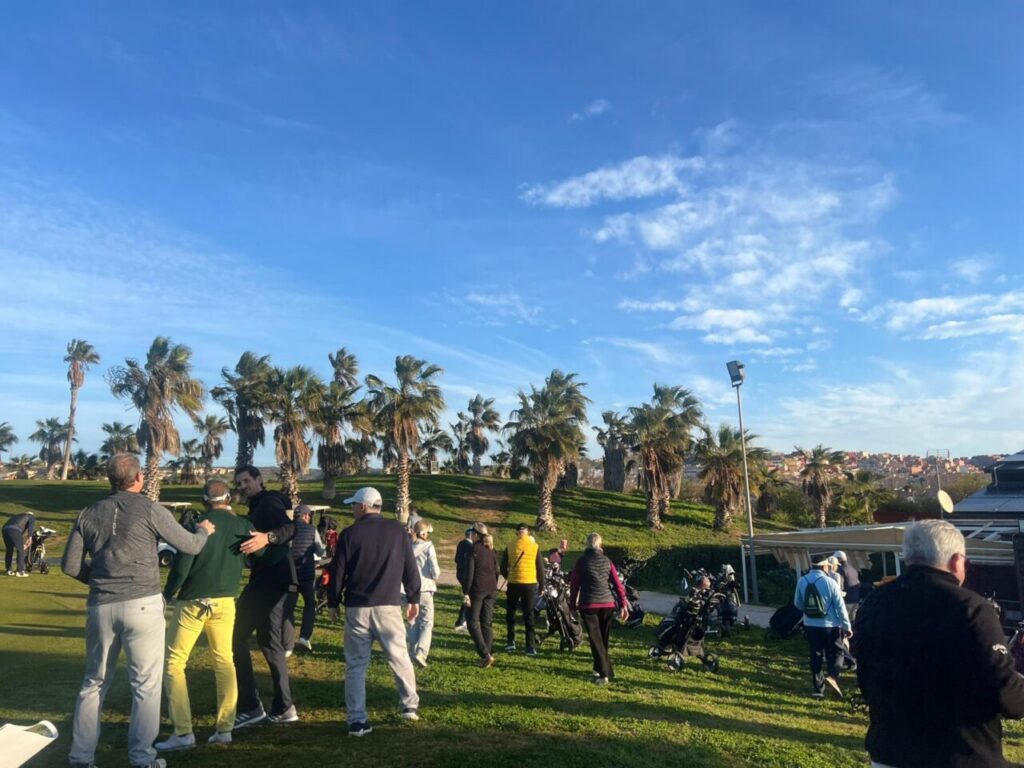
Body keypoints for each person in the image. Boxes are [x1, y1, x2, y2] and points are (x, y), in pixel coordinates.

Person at [61, 454, 214, 768]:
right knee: (145, 684)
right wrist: (204, 532)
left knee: (94, 683)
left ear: (109, 479)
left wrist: (101, 580)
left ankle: (80, 758)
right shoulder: (151, 508)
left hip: (101, 606)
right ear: (140, 477)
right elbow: (191, 545)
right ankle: (142, 758)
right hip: (143, 604)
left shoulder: (88, 513)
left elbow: (70, 566)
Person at [853, 520, 1024, 768]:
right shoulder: (971, 607)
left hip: (890, 753)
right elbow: (1003, 691)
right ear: (956, 561)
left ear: (909, 559)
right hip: (959, 754)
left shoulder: (875, 602)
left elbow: (866, 678)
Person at [157, 478, 252, 751]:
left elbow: (182, 565)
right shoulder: (243, 526)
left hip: (193, 602)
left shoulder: (196, 526)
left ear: (204, 500)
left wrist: (168, 593)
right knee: (224, 662)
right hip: (225, 601)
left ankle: (183, 732)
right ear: (229, 499)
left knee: (175, 663)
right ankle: (225, 729)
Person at [326, 487, 421, 736]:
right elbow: (410, 567)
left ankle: (357, 720)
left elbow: (337, 572)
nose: (351, 509)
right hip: (388, 606)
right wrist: (414, 598)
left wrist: (333, 602)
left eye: (353, 505)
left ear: (364, 506)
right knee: (399, 657)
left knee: (356, 665)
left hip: (357, 607)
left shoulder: (350, 534)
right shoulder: (398, 532)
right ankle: (409, 706)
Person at [231, 465, 298, 728]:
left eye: (247, 480)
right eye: (239, 483)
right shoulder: (259, 504)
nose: (243, 486)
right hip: (273, 580)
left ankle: (250, 706)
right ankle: (284, 707)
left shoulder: (268, 502)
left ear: (259, 480)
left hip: (270, 581)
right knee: (270, 644)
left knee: (235, 637)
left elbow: (290, 528)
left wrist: (267, 538)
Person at [568, 533, 629, 685]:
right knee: (603, 639)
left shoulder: (581, 561)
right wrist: (623, 604)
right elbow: (617, 585)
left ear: (587, 545)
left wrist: (572, 606)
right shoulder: (607, 561)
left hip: (589, 604)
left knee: (596, 640)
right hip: (607, 604)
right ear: (600, 545)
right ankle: (599, 667)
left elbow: (574, 585)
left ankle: (604, 674)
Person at [794, 556, 851, 699]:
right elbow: (840, 606)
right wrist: (847, 626)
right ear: (825, 566)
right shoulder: (830, 582)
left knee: (816, 654)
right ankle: (832, 676)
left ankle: (818, 689)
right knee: (838, 652)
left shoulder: (802, 580)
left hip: (810, 625)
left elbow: (798, 604)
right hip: (831, 626)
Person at [284, 504, 324, 656]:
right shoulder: (312, 530)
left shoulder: (287, 529)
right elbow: (320, 550)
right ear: (306, 516)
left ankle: (287, 646)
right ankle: (304, 637)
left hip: (290, 576)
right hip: (307, 576)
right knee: (309, 605)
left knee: (288, 609)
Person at [501, 522, 545, 655]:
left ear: (516, 533)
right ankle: (530, 647)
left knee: (511, 613)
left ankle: (510, 641)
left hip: (513, 584)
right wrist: (541, 586)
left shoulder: (510, 546)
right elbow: (540, 569)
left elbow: (503, 567)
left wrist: (509, 577)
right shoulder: (534, 546)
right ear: (528, 533)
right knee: (529, 615)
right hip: (529, 584)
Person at [464, 522, 499, 668]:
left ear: (476, 534)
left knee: (472, 622)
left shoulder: (474, 549)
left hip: (478, 589)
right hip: (491, 589)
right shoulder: (491, 549)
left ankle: (485, 654)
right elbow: (497, 570)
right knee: (486, 622)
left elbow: (470, 573)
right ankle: (488, 655)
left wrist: (466, 592)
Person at [408, 519, 440, 667]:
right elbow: (435, 571)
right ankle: (421, 653)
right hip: (425, 588)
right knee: (427, 623)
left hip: (410, 589)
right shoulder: (428, 547)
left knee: (413, 620)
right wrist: (434, 576)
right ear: (424, 533)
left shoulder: (409, 546)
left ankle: (410, 652)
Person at [453, 526, 475, 633]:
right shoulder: (470, 546)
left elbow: (456, 559)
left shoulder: (461, 543)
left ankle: (463, 620)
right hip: (466, 575)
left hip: (460, 573)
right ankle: (461, 621)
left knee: (467, 596)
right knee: (468, 597)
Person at [3, 510, 35, 576]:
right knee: (21, 550)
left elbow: (19, 533)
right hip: (15, 530)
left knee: (9, 550)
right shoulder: (31, 516)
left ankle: (9, 570)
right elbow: (30, 527)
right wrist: (30, 538)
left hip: (5, 529)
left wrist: (20, 542)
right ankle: (20, 571)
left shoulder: (18, 516)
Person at [833, 550, 861, 620]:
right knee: (853, 621)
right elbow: (858, 583)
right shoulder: (853, 569)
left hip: (846, 601)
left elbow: (840, 586)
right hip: (856, 599)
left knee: (844, 622)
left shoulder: (840, 570)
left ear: (839, 559)